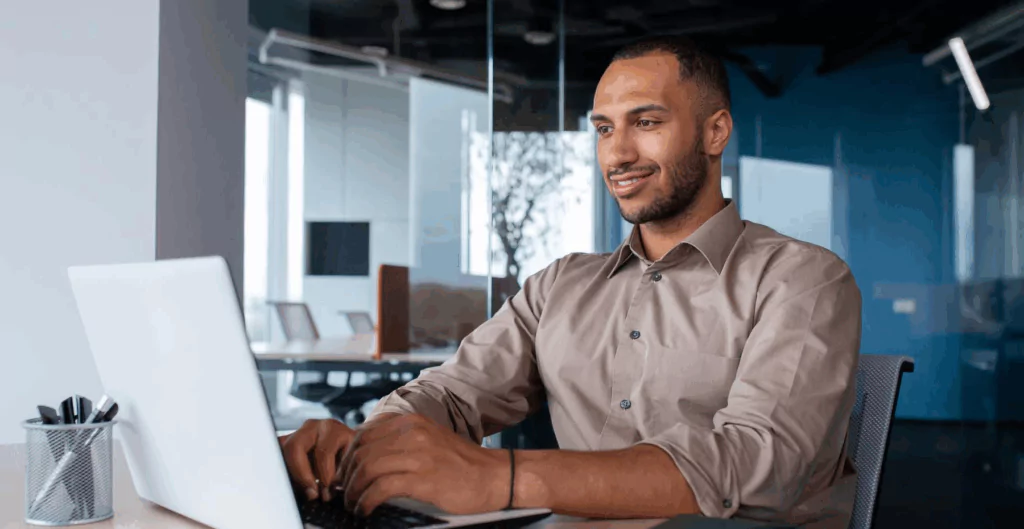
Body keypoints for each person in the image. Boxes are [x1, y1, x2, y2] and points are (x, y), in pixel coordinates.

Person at [279, 36, 862, 529]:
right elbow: (455, 394)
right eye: (605, 129)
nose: (619, 153)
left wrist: (504, 478)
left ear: (715, 133)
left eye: (647, 122)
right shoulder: (561, 285)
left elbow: (761, 462)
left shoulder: (802, 279)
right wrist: (369, 442)